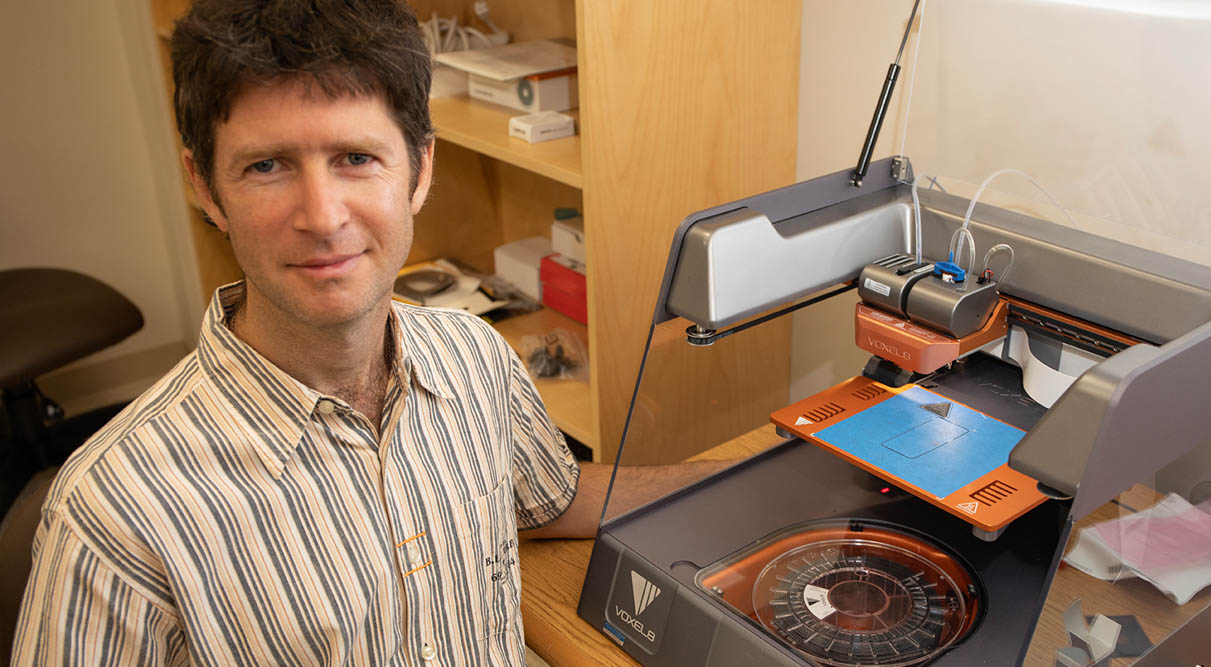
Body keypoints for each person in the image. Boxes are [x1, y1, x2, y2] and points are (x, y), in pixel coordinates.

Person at [12, 1, 719, 664]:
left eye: (355, 157)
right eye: (267, 166)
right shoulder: (113, 515)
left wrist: (758, 475)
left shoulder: (475, 357)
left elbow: (549, 498)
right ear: (206, 188)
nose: (322, 216)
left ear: (419, 168)